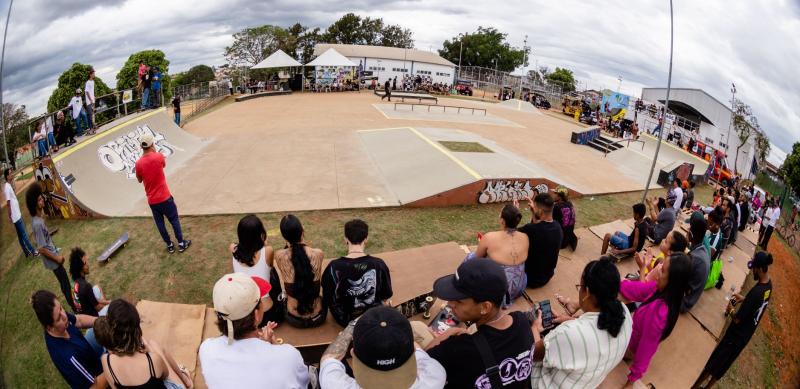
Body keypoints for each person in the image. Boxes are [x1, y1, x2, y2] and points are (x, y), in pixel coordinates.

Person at [422, 259, 533, 388]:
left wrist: (447, 334)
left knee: (418, 328)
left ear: (485, 307)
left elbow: (421, 365)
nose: (450, 304)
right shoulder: (522, 322)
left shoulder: (458, 348)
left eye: (459, 301)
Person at [530, 259, 633, 388]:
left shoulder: (569, 333)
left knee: (521, 324)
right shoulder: (624, 313)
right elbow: (596, 329)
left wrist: (535, 328)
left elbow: (533, 354)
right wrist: (566, 319)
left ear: (587, 293)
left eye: (580, 287)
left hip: (544, 383)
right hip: (588, 382)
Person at [199, 273, 309, 388]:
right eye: (260, 301)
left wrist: (266, 347)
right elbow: (303, 383)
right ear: (256, 315)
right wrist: (274, 348)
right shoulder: (289, 356)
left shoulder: (207, 349)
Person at [692, 252, 774, 389]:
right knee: (723, 366)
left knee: (713, 364)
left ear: (760, 268)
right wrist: (745, 299)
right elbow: (758, 304)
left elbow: (737, 320)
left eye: (754, 268)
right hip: (744, 338)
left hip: (734, 337)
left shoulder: (756, 293)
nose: (752, 271)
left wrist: (730, 309)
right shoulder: (768, 286)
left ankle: (694, 387)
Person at [319, 306, 446, 389]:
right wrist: (399, 329)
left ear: (353, 353)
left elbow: (328, 358)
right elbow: (416, 348)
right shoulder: (435, 376)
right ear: (412, 351)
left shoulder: (335, 384)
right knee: (418, 326)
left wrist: (352, 326)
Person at [619, 253, 692, 387]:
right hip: (630, 333)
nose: (658, 270)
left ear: (673, 281)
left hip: (627, 346)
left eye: (662, 270)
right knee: (619, 287)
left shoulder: (660, 314)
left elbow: (645, 351)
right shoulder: (660, 289)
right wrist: (613, 281)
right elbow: (636, 290)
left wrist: (630, 381)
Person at [93, 299, 193, 389]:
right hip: (157, 370)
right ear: (137, 330)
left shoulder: (106, 361)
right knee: (155, 347)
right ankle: (185, 380)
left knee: (153, 347)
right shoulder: (153, 360)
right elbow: (165, 375)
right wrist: (150, 351)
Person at [322, 219, 393, 326]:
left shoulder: (333, 266)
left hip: (343, 320)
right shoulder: (379, 264)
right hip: (372, 318)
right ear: (366, 239)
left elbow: (327, 297)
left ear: (345, 239)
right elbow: (386, 294)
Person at [31, 289, 106, 389]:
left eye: (61, 308)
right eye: (58, 318)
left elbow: (79, 320)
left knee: (108, 314)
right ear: (49, 328)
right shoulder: (67, 356)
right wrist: (112, 364)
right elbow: (94, 387)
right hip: (99, 379)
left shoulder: (60, 316)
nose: (65, 316)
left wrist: (104, 321)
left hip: (89, 354)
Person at [135, 134, 191, 254]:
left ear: (141, 146)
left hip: (152, 200)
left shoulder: (138, 163)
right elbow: (163, 165)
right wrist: (154, 152)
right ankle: (181, 243)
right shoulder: (158, 156)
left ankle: (169, 245)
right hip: (165, 197)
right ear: (152, 144)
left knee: (160, 224)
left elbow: (139, 180)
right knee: (174, 220)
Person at [27, 182, 77, 312]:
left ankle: (74, 304)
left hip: (54, 258)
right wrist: (57, 258)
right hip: (54, 261)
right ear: (34, 204)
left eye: (41, 197)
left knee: (64, 283)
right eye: (39, 199)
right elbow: (41, 249)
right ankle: (75, 308)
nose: (42, 200)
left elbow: (44, 242)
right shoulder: (37, 224)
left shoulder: (38, 219)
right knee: (65, 285)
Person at [273, 214, 327, 328]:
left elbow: (295, 254)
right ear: (302, 230)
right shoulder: (318, 253)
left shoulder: (279, 256)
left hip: (294, 318)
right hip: (318, 317)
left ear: (284, 236)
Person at [471, 204, 529, 307]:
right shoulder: (525, 237)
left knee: (470, 257)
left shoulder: (489, 237)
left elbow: (476, 259)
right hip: (518, 288)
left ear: (502, 220)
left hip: (498, 292)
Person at [230, 214, 284, 324]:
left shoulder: (233, 249)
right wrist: (263, 241)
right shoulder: (268, 251)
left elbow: (237, 246)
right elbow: (269, 263)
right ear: (260, 234)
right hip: (268, 314)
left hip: (246, 316)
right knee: (273, 270)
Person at [516, 193, 563, 288]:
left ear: (540, 211)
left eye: (535, 207)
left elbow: (510, 233)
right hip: (547, 276)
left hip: (530, 279)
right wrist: (534, 212)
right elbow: (538, 226)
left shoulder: (531, 229)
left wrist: (515, 213)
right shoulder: (558, 227)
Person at [4, 167, 37, 257]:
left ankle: (26, 252)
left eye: (12, 173)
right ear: (7, 176)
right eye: (10, 173)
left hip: (17, 214)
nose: (12, 174)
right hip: (16, 216)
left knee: (20, 235)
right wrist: (10, 215)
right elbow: (8, 203)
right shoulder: (7, 187)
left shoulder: (9, 185)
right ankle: (33, 251)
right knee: (24, 235)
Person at [69, 248, 110, 317]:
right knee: (114, 306)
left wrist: (106, 302)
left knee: (97, 287)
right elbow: (98, 307)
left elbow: (91, 299)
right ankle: (106, 320)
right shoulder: (86, 286)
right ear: (80, 267)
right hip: (93, 318)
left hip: (82, 315)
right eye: (85, 263)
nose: (88, 264)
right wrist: (109, 303)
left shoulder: (73, 282)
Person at [682, 216, 709, 312]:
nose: (687, 231)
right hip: (690, 297)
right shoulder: (702, 249)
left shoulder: (695, 258)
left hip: (683, 302)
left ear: (690, 235)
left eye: (689, 229)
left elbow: (678, 278)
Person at [85, 69, 97, 135]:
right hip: (89, 101)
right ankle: (91, 129)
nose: (94, 74)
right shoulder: (88, 82)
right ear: (90, 75)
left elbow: (91, 91)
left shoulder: (93, 81)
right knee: (90, 115)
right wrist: (91, 100)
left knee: (93, 115)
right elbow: (87, 92)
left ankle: (93, 128)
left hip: (92, 100)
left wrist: (93, 96)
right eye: (93, 73)